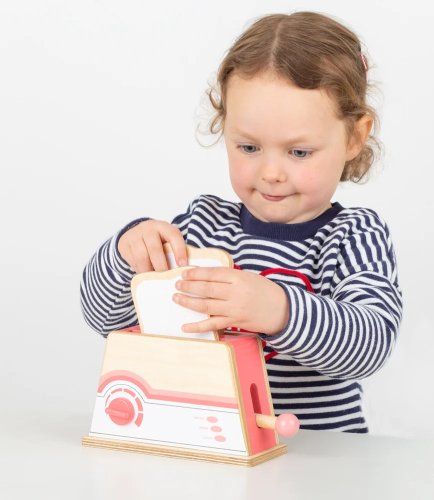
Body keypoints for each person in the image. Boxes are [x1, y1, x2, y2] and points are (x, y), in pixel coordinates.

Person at [80, 11, 403, 433]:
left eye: (299, 152)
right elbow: (104, 319)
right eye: (249, 147)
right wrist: (128, 253)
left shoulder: (354, 235)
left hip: (319, 456)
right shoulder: (202, 226)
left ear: (355, 137)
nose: (271, 172)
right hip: (210, 446)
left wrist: (279, 310)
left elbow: (371, 345)